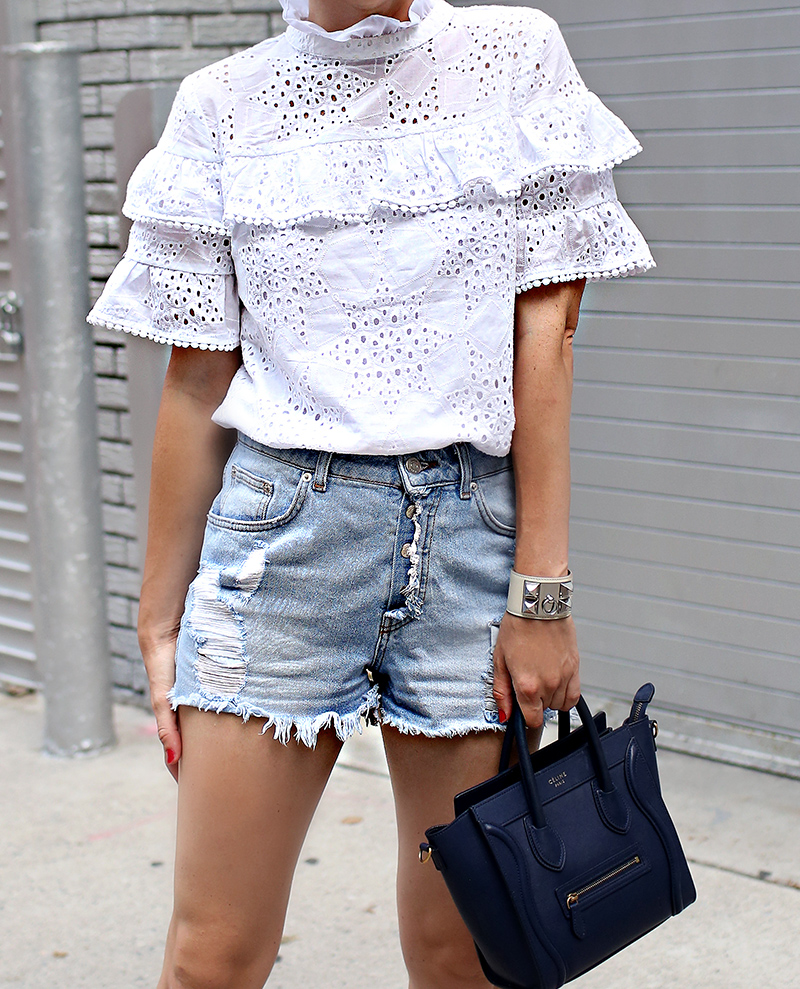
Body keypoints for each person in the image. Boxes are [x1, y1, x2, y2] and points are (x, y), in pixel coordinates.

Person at [88, 1, 654, 986]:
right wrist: (157, 621)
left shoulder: (512, 52)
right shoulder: (221, 103)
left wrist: (542, 593)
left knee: (461, 954)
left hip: (476, 545)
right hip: (279, 545)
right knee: (212, 956)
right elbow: (193, 379)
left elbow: (546, 341)